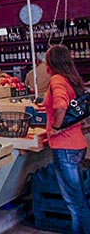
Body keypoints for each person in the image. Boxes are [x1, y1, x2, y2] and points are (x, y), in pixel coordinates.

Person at [44, 45, 90, 234]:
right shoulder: (72, 79)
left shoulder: (57, 79)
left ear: (52, 62)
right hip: (78, 144)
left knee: (75, 202)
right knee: (79, 198)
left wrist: (55, 127)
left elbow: (61, 105)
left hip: (65, 147)